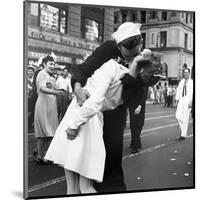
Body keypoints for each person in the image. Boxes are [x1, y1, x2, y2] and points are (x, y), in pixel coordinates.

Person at [45, 50, 162, 194]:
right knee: (80, 185)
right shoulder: (132, 83)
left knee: (79, 185)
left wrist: (74, 125)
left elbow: (94, 102)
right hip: (88, 117)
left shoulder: (114, 69)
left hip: (83, 116)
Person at [68, 22, 161, 193]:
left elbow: (136, 88)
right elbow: (85, 67)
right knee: (83, 162)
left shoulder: (141, 59)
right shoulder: (107, 50)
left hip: (116, 112)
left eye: (134, 55)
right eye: (127, 55)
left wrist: (138, 69)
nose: (129, 59)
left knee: (112, 158)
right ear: (118, 46)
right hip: (93, 111)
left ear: (140, 45)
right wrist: (77, 85)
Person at [34, 55, 65, 165]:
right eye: (50, 64)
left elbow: (53, 88)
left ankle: (42, 154)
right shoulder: (41, 73)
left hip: (51, 106)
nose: (52, 66)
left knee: (50, 132)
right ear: (44, 65)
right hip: (43, 105)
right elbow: (42, 88)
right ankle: (40, 156)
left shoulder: (51, 76)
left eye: (53, 64)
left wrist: (59, 91)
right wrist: (56, 92)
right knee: (43, 132)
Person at [128, 87, 148, 154]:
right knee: (134, 125)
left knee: (140, 124)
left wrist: (139, 106)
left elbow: (144, 95)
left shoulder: (144, 81)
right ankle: (135, 146)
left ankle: (134, 142)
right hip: (132, 104)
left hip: (140, 105)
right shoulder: (132, 80)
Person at [175, 68, 193, 141]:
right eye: (185, 72)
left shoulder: (192, 82)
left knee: (185, 118)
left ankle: (183, 135)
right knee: (177, 116)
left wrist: (191, 102)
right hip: (181, 100)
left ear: (189, 73)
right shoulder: (181, 82)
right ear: (183, 73)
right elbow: (178, 91)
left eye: (187, 72)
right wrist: (176, 99)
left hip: (188, 100)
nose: (186, 73)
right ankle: (183, 131)